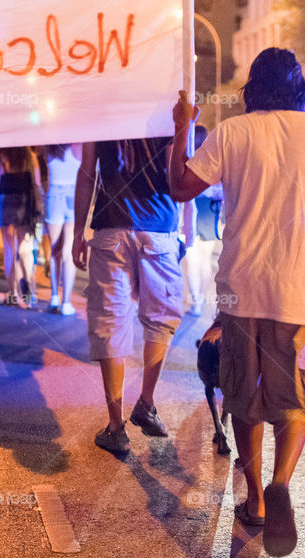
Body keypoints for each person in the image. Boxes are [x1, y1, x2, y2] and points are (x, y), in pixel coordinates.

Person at [169, 48, 305, 557]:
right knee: (297, 396)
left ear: (252, 89)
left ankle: (257, 498)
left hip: (242, 289)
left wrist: (181, 128)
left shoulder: (233, 133)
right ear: (301, 87)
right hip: (301, 291)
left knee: (243, 392)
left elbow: (180, 188)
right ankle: (282, 480)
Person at [73, 137, 188, 453]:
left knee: (110, 323)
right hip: (160, 227)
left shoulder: (101, 110)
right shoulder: (169, 110)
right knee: (160, 320)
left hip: (112, 227)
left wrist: (77, 232)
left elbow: (87, 174)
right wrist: (186, 228)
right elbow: (181, 170)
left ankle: (115, 426)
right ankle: (146, 403)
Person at [0, 147, 44, 310]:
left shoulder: (0, 155)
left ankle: (12, 293)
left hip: (5, 200)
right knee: (25, 249)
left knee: (9, 249)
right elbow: (36, 184)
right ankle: (28, 289)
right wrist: (39, 207)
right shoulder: (30, 156)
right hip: (25, 202)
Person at [183, 126, 223, 317]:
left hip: (191, 208)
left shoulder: (188, 157)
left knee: (192, 258)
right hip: (208, 211)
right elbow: (221, 190)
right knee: (205, 259)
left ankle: (196, 303)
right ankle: (200, 297)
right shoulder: (213, 158)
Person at [44, 144, 82, 315]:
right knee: (67, 251)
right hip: (73, 194)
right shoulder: (79, 145)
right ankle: (66, 302)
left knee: (54, 251)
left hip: (54, 194)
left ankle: (54, 297)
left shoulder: (49, 147)